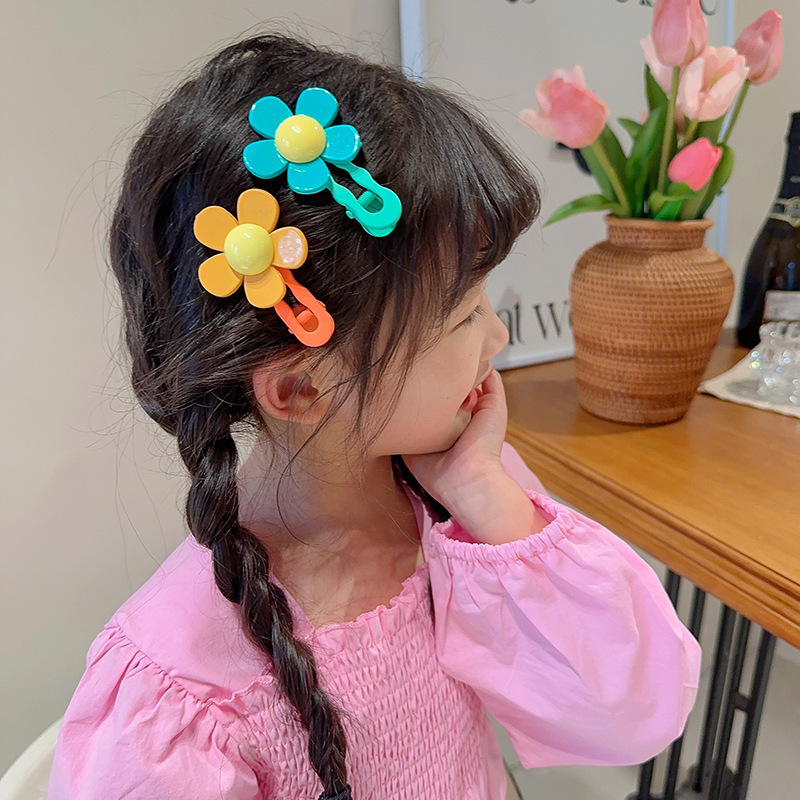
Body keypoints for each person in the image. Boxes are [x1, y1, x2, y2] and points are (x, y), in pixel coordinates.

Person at [48, 33, 701, 800]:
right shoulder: (181, 688)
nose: (497, 336)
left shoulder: (461, 504)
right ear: (300, 389)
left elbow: (633, 715)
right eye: (463, 316)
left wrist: (487, 496)